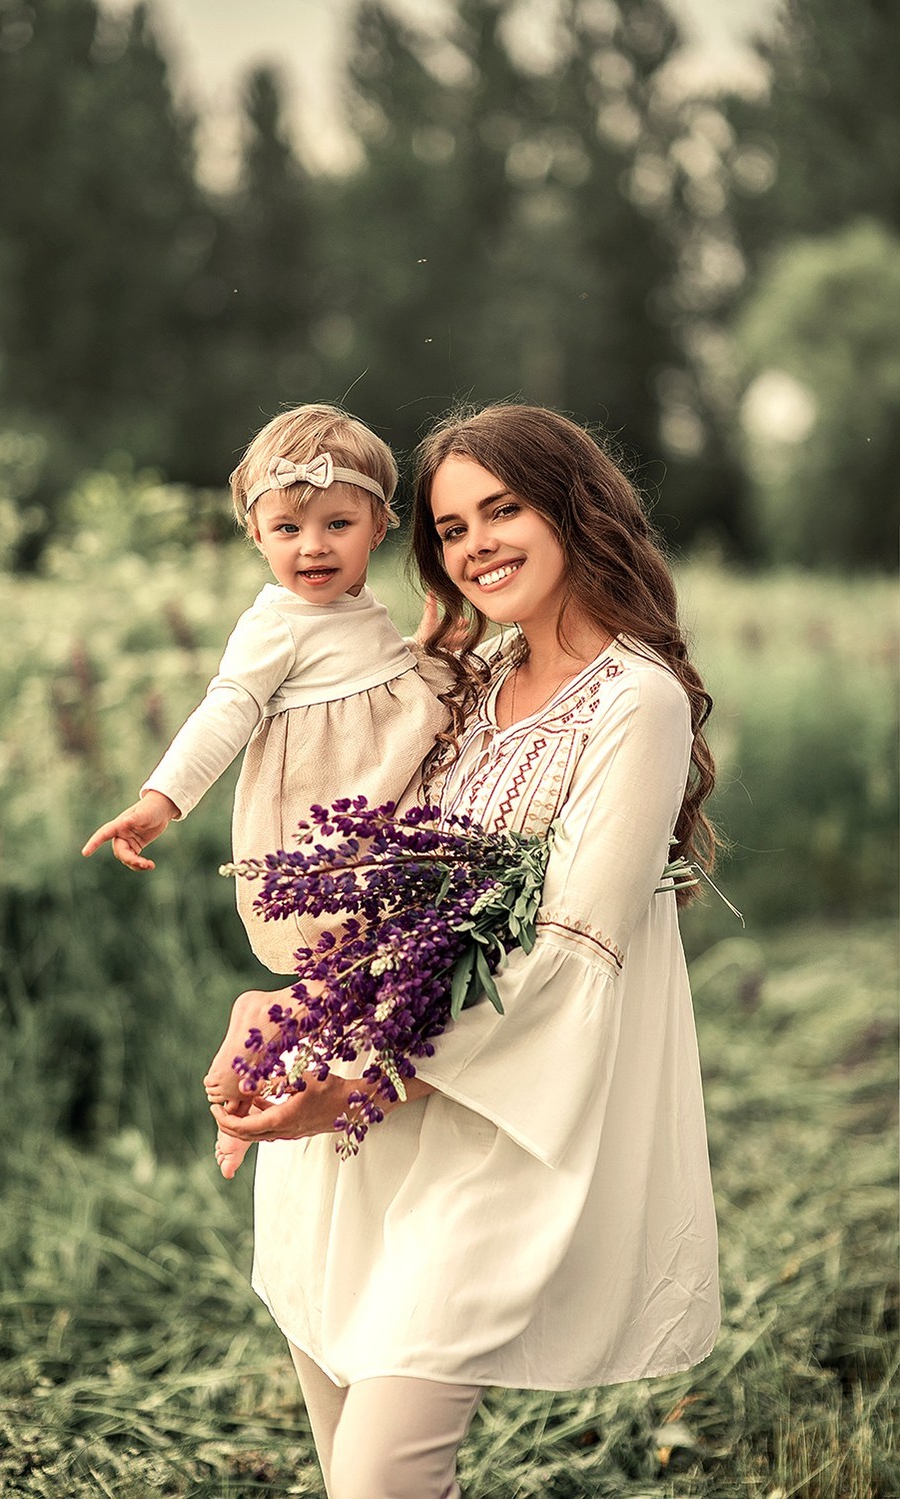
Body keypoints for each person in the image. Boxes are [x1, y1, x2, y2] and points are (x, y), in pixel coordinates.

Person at [212, 404, 721, 1499]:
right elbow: (368, 871)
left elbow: (573, 946)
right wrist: (276, 1004)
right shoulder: (463, 679)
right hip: (355, 1114)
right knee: (349, 1454)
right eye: (450, 528)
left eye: (503, 508)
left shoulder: (636, 701)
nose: (476, 543)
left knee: (383, 1470)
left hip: (491, 1122)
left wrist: (359, 1077)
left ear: (576, 512)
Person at [82, 403, 451, 1173]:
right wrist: (162, 800)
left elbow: (374, 675)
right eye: (287, 529)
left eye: (336, 525)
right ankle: (247, 1082)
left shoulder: (357, 611)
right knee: (351, 975)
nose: (312, 547)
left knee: (382, 982)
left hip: (387, 811)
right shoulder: (274, 625)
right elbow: (227, 710)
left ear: (379, 524)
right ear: (257, 535)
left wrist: (429, 647)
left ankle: (301, 1088)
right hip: (325, 828)